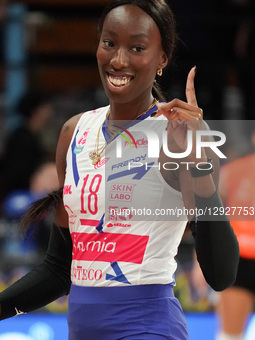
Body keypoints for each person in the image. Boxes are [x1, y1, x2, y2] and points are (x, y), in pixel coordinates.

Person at [0, 1, 239, 339]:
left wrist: (200, 167)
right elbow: (59, 269)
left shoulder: (176, 138)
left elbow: (222, 274)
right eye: (109, 43)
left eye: (137, 47)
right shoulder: (74, 132)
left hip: (148, 328)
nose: (119, 60)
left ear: (161, 60)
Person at [216, 127, 255, 340]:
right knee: (231, 335)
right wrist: (199, 260)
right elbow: (209, 219)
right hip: (239, 261)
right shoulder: (232, 172)